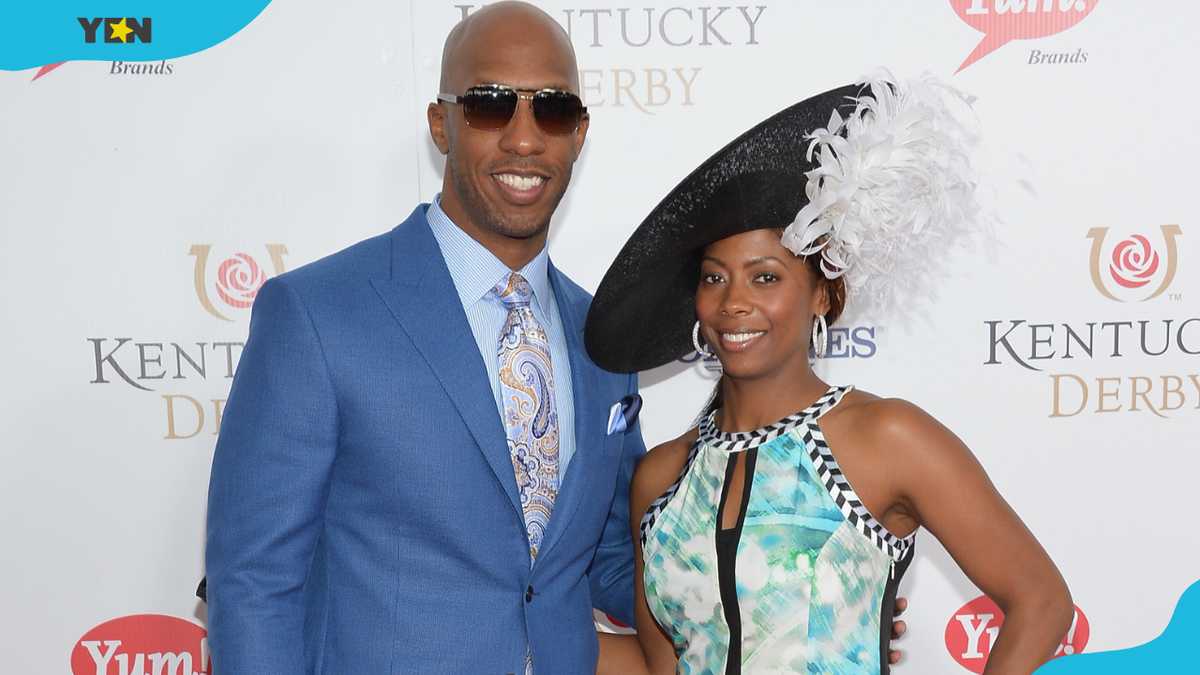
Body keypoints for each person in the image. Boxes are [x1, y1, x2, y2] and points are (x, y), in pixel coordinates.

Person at [203, 4, 643, 673]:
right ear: (442, 123)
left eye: (553, 110)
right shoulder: (317, 315)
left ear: (579, 133)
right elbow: (254, 583)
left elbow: (611, 557)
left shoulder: (603, 338)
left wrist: (756, 585)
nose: (525, 139)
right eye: (491, 104)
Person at [584, 78, 1073, 674]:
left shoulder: (887, 437)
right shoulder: (661, 478)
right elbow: (663, 664)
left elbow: (1041, 601)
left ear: (822, 293)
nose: (734, 302)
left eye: (765, 277)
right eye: (714, 278)